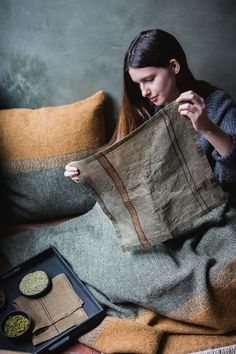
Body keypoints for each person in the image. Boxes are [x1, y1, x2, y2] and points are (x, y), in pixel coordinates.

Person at [64, 29, 236, 195]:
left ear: (174, 67)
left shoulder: (218, 104)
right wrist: (85, 171)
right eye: (138, 84)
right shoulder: (143, 110)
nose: (144, 92)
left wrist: (207, 128)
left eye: (149, 80)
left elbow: (229, 182)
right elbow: (125, 167)